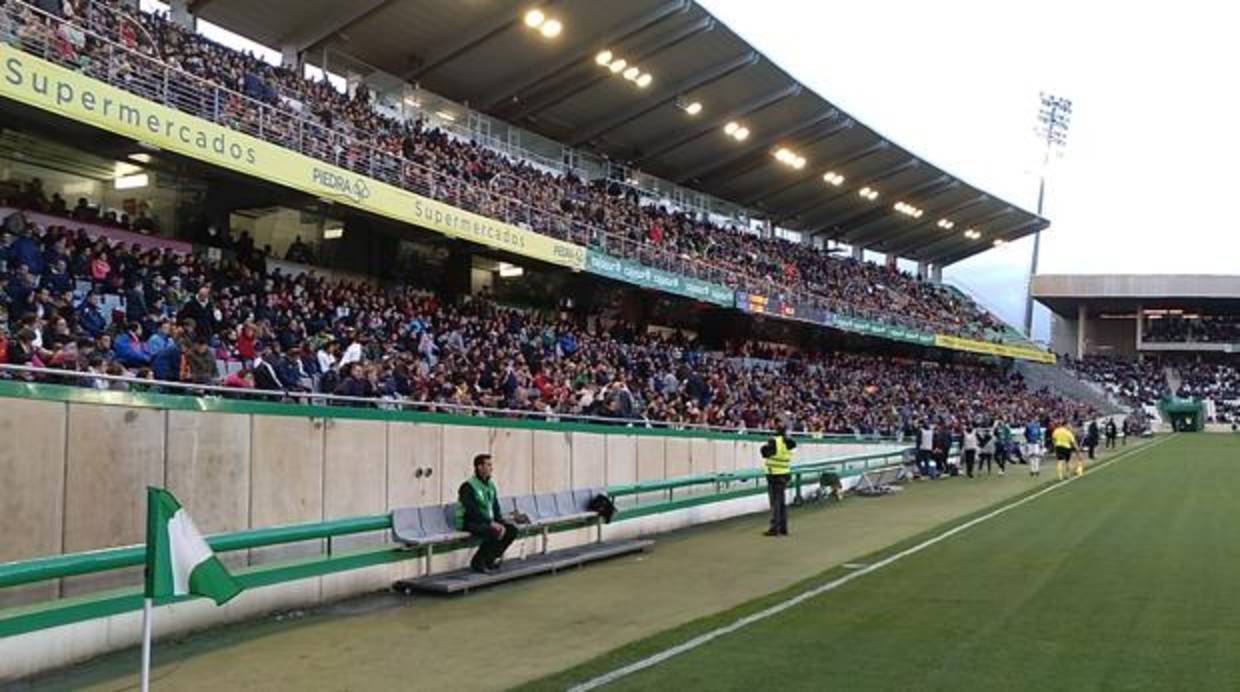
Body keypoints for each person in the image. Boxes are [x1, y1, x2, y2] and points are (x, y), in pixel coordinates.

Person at [458, 454, 517, 573]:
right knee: (493, 531)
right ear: (479, 467)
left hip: (486, 521)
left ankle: (490, 559)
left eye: (491, 465)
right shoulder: (468, 486)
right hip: (469, 521)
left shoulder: (490, 485)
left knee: (511, 530)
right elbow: (472, 511)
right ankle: (478, 562)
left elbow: (495, 506)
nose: (491, 468)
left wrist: (500, 522)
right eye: (488, 465)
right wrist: (491, 523)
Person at [760, 423, 796, 536]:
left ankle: (775, 528)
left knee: (775, 502)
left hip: (774, 474)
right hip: (785, 473)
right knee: (781, 502)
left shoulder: (773, 441)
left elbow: (765, 453)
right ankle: (783, 527)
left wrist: (764, 447)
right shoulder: (790, 442)